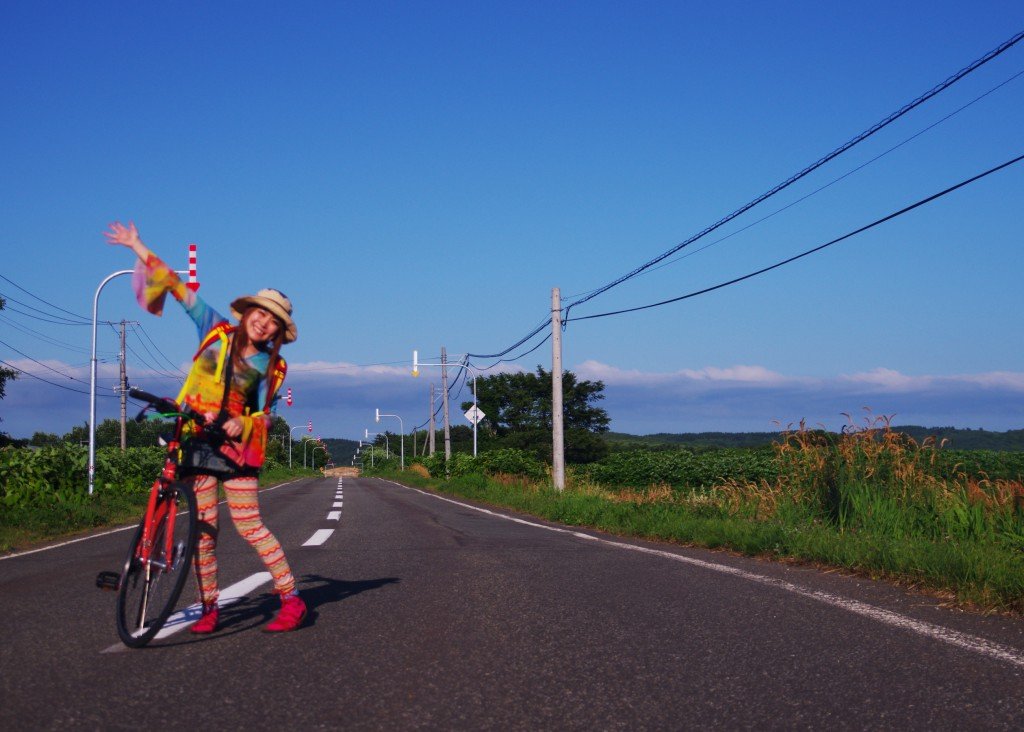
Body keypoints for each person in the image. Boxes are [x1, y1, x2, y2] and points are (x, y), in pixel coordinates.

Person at [104, 221, 306, 634]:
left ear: (278, 332)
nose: (264, 323)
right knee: (203, 532)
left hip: (234, 448)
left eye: (274, 321)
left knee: (250, 526)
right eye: (260, 313)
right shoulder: (213, 328)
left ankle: (291, 598)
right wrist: (136, 244)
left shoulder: (271, 366)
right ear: (247, 312)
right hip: (193, 436)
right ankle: (208, 606)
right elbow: (178, 291)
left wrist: (241, 421)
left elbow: (265, 414)